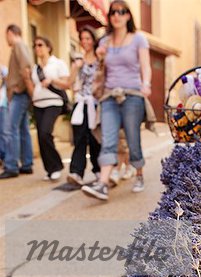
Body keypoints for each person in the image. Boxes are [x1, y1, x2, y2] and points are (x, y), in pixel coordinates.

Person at [81, 0, 152, 201]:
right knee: (109, 139)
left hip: (132, 95)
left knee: (132, 138)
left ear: (128, 16)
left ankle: (138, 173)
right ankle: (103, 184)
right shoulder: (104, 42)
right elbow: (98, 71)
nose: (116, 15)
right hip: (109, 96)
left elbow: (145, 66)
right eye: (113, 12)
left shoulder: (138, 39)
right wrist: (100, 57)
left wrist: (146, 84)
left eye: (121, 12)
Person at [30, 36, 69, 181]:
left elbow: (67, 83)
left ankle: (56, 165)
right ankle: (50, 169)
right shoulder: (36, 68)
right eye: (35, 45)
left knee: (45, 132)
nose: (37, 48)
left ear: (48, 47)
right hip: (38, 103)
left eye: (40, 45)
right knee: (41, 136)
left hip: (53, 102)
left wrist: (52, 80)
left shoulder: (58, 63)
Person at [67, 26, 101, 186]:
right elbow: (69, 82)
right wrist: (75, 68)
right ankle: (76, 172)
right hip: (80, 103)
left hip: (94, 104)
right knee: (79, 138)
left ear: (93, 40)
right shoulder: (78, 60)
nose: (85, 41)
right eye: (82, 38)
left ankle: (99, 170)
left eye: (88, 38)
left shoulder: (100, 58)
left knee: (94, 138)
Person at [0, 24, 33, 179]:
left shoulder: (18, 45)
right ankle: (26, 163)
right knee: (23, 129)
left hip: (19, 94)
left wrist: (18, 89)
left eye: (6, 35)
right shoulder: (22, 46)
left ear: (11, 33)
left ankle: (11, 165)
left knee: (11, 129)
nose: (6, 38)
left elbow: (26, 68)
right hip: (22, 94)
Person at [0, 64, 9, 164]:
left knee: (4, 131)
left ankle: (5, 157)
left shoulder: (3, 69)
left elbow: (8, 81)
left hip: (3, 104)